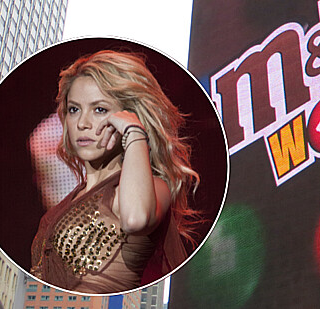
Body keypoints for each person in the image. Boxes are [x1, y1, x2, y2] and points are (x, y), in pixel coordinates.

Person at [30, 50, 201, 293]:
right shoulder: (62, 206)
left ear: (129, 116)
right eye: (74, 110)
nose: (82, 123)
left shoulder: (155, 188)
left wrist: (134, 133)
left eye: (99, 109)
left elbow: (135, 219)